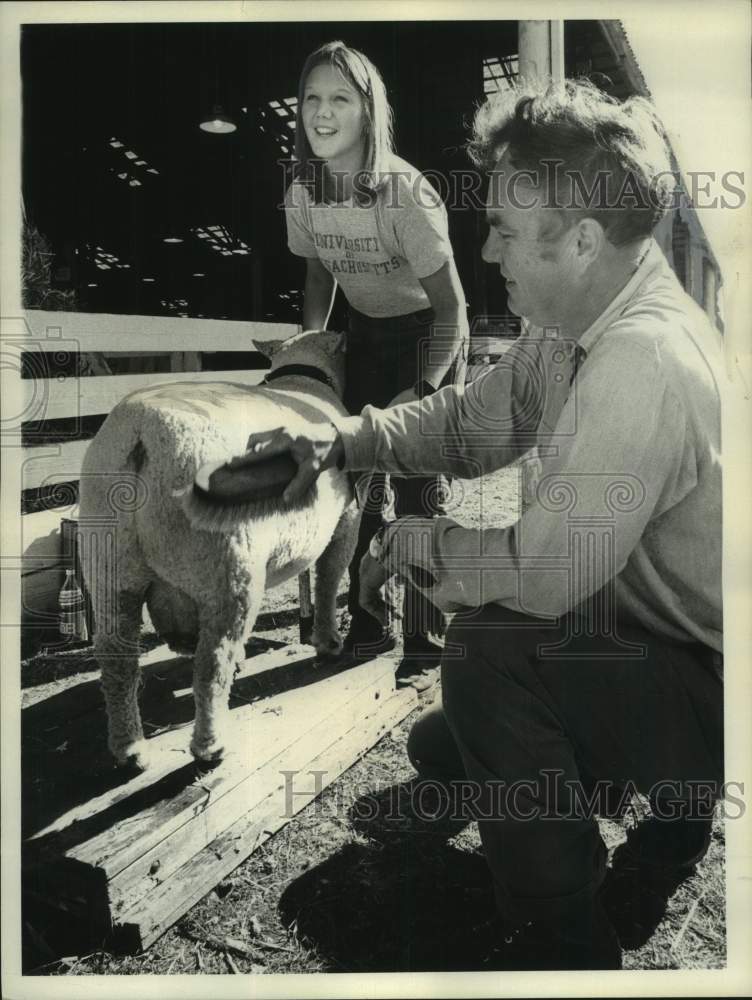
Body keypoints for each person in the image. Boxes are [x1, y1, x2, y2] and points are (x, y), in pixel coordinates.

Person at [230, 80, 724, 969]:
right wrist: (346, 441)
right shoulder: (572, 322)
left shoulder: (640, 359)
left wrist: (413, 542)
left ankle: (567, 936)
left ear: (582, 241)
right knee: (443, 746)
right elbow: (472, 424)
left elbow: (541, 576)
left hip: (713, 686)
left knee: (487, 654)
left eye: (502, 228)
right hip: (648, 644)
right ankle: (632, 802)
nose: (486, 249)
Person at [284, 40, 469, 683]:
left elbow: (454, 310)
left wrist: (423, 388)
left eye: (340, 98)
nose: (322, 113)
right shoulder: (303, 191)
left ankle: (425, 638)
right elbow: (318, 277)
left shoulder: (404, 195)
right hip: (363, 330)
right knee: (358, 483)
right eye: (311, 98)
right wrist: (309, 357)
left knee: (416, 487)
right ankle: (369, 618)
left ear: (368, 111)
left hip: (427, 335)